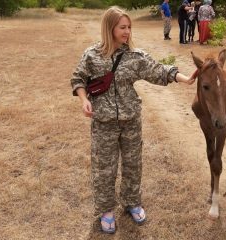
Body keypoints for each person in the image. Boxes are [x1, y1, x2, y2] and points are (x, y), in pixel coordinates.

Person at [70, 6, 195, 234]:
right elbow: (78, 78)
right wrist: (83, 100)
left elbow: (159, 70)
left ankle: (132, 203)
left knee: (133, 164)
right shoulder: (92, 55)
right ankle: (106, 210)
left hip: (131, 121)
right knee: (104, 168)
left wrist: (184, 78)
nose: (127, 32)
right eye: (122, 27)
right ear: (110, 28)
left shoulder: (135, 56)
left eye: (129, 27)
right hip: (103, 122)